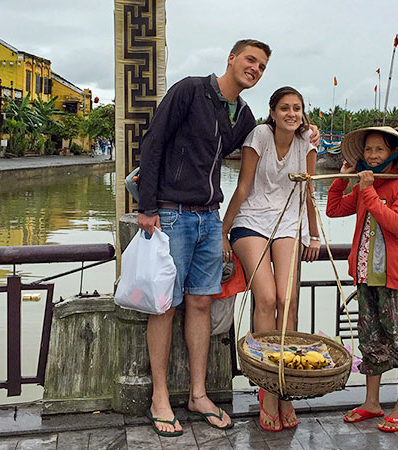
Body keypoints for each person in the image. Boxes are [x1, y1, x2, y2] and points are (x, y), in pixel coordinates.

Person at [135, 40, 319, 437]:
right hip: (171, 212)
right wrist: (147, 207)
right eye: (250, 60)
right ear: (232, 59)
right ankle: (160, 397)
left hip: (208, 216)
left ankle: (199, 394)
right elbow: (154, 142)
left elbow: (265, 142)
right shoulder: (190, 90)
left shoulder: (242, 114)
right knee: (164, 305)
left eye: (262, 65)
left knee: (201, 302)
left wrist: (304, 129)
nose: (255, 68)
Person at [220, 86, 320, 432]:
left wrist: (314, 234)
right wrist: (223, 229)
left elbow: (308, 192)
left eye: (297, 108)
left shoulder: (307, 143)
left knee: (288, 299)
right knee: (266, 296)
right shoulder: (259, 135)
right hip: (251, 220)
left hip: (288, 222)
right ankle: (266, 387)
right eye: (284, 109)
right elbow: (244, 186)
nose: (291, 114)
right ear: (273, 112)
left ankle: (286, 382)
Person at [325, 126, 398, 433]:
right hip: (368, 276)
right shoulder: (364, 185)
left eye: (379, 150)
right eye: (367, 150)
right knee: (372, 342)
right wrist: (344, 177)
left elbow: (396, 223)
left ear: (393, 153)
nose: (371, 155)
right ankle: (371, 402)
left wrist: (368, 191)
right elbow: (332, 209)